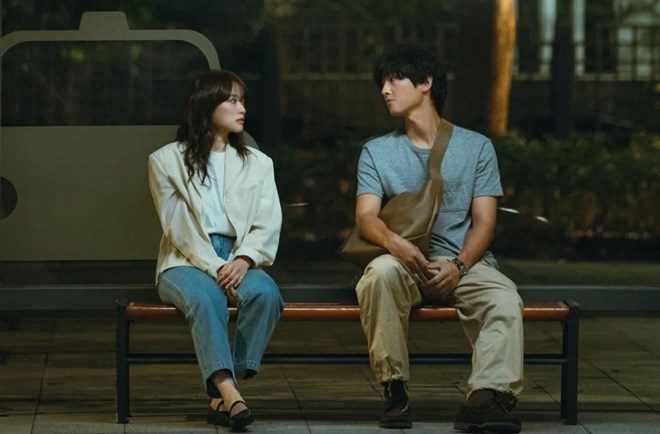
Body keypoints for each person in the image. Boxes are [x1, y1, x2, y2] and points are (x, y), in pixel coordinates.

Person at [353, 44, 524, 433]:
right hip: (402, 261)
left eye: (395, 79)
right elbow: (365, 218)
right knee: (379, 274)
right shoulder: (376, 151)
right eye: (382, 82)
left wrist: (459, 266)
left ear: (426, 83)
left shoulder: (476, 147)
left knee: (503, 298)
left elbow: (485, 223)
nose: (385, 90)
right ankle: (395, 388)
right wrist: (396, 245)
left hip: (464, 262)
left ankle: (485, 399)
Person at [147, 70, 283, 430]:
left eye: (243, 101)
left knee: (267, 294)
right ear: (207, 105)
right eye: (232, 100)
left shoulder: (258, 162)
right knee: (206, 299)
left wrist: (244, 259)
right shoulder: (165, 161)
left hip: (239, 256)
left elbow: (268, 222)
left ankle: (222, 393)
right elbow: (178, 228)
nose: (242, 109)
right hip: (184, 261)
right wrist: (216, 266)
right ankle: (231, 394)